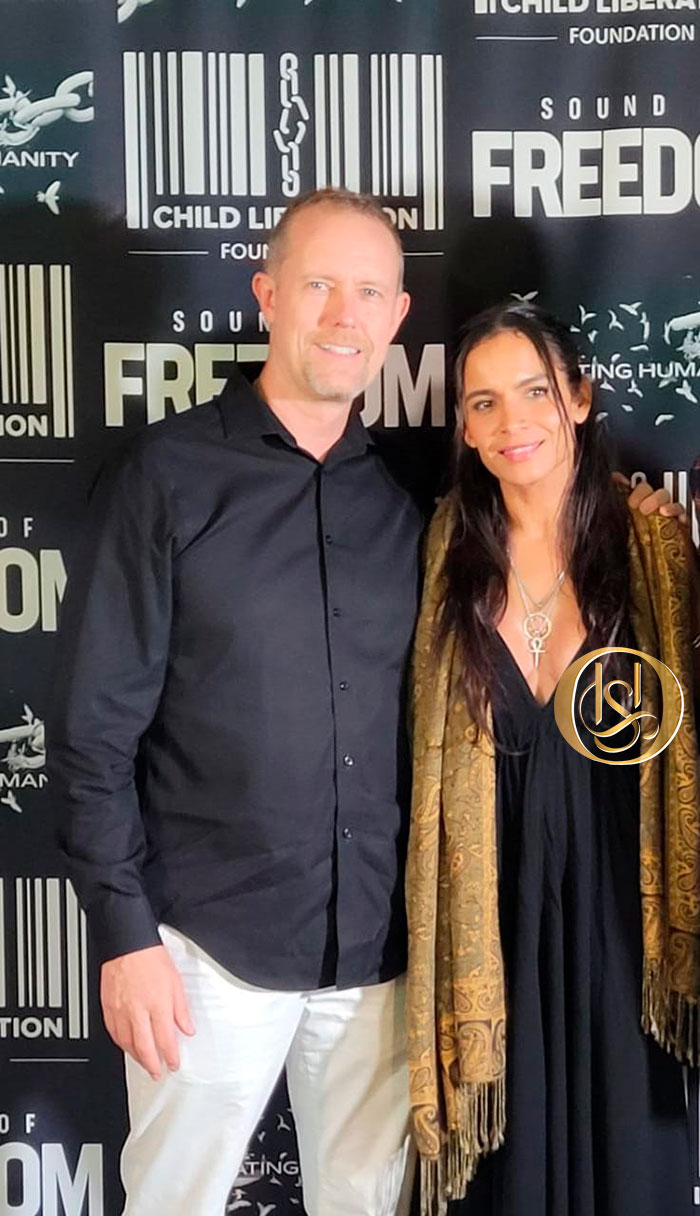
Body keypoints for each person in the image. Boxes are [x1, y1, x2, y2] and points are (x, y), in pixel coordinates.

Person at [48, 191, 682, 1216]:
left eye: (369, 293)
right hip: (207, 951)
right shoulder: (167, 477)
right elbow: (91, 734)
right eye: (319, 286)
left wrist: (640, 512)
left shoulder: (416, 499)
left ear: (397, 319)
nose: (345, 315)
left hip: (382, 962)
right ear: (267, 295)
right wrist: (125, 938)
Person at [406, 301, 700, 1216]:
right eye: (483, 402)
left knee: (631, 1164)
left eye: (534, 391)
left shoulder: (656, 545)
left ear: (578, 398)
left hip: (624, 919)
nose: (511, 422)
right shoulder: (443, 551)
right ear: (464, 426)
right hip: (491, 923)